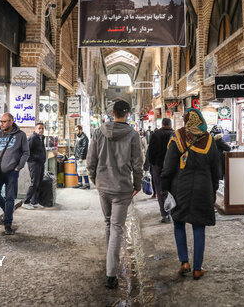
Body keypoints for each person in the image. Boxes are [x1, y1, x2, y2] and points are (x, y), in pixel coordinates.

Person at [87, 100, 143, 289]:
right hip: (122, 188)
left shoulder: (98, 132)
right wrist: (137, 184)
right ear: (127, 114)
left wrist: (96, 180)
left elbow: (90, 161)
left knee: (109, 223)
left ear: (112, 113)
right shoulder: (133, 135)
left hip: (104, 186)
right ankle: (111, 274)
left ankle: (110, 262)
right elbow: (137, 163)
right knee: (117, 227)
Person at [161, 108, 220, 280]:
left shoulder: (178, 137)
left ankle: (184, 262)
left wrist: (164, 188)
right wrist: (213, 188)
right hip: (203, 189)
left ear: (187, 120)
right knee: (198, 226)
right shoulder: (209, 139)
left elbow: (168, 166)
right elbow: (216, 169)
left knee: (179, 223)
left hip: (180, 188)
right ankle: (197, 268)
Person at [0, 113, 30, 235]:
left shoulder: (20, 135)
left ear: (11, 122)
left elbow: (26, 152)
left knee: (10, 197)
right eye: (1, 121)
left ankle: (7, 224)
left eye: (4, 121)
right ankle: (7, 211)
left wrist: (19, 166)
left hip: (12, 172)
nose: (2, 124)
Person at [147, 117, 174, 222]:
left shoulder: (155, 134)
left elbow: (151, 152)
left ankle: (165, 215)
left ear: (162, 124)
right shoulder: (175, 134)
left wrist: (152, 164)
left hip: (158, 166)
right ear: (170, 124)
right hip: (172, 166)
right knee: (171, 189)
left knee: (159, 189)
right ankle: (172, 212)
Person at [24, 122, 47, 210]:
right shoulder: (33, 138)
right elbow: (26, 151)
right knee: (34, 183)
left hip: (40, 163)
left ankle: (34, 201)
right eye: (39, 128)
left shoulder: (41, 138)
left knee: (39, 182)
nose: (41, 130)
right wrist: (35, 158)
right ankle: (26, 201)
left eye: (42, 128)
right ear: (35, 129)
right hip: (34, 163)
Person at [73, 124, 90, 189]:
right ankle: (79, 183)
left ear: (81, 130)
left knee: (83, 170)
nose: (76, 132)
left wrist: (81, 157)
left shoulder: (84, 137)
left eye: (77, 130)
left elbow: (84, 148)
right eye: (75, 130)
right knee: (78, 170)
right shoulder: (78, 136)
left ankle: (87, 184)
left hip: (81, 157)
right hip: (77, 156)